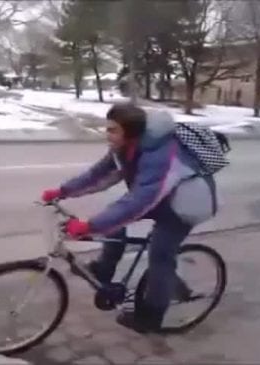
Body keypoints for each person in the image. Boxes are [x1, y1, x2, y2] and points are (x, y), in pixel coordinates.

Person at [41, 103, 218, 333]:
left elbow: (140, 201)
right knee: (114, 220)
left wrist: (89, 226)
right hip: (159, 197)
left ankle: (150, 317)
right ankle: (104, 269)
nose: (108, 134)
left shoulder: (160, 155)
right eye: (108, 128)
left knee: (160, 256)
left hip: (183, 205)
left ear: (131, 133)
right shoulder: (123, 147)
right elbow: (98, 174)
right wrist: (62, 191)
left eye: (113, 130)